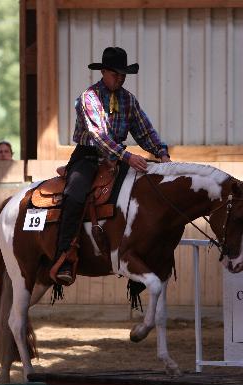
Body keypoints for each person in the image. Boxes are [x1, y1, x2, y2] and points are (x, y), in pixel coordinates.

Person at [50, 46, 171, 285]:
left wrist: (162, 153)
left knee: (143, 192)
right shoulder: (89, 97)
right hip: (88, 157)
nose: (120, 78)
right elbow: (98, 136)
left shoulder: (128, 100)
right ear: (103, 72)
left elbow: (144, 130)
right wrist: (126, 156)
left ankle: (138, 253)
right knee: (74, 195)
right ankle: (65, 254)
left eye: (123, 75)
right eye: (116, 74)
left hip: (117, 157)